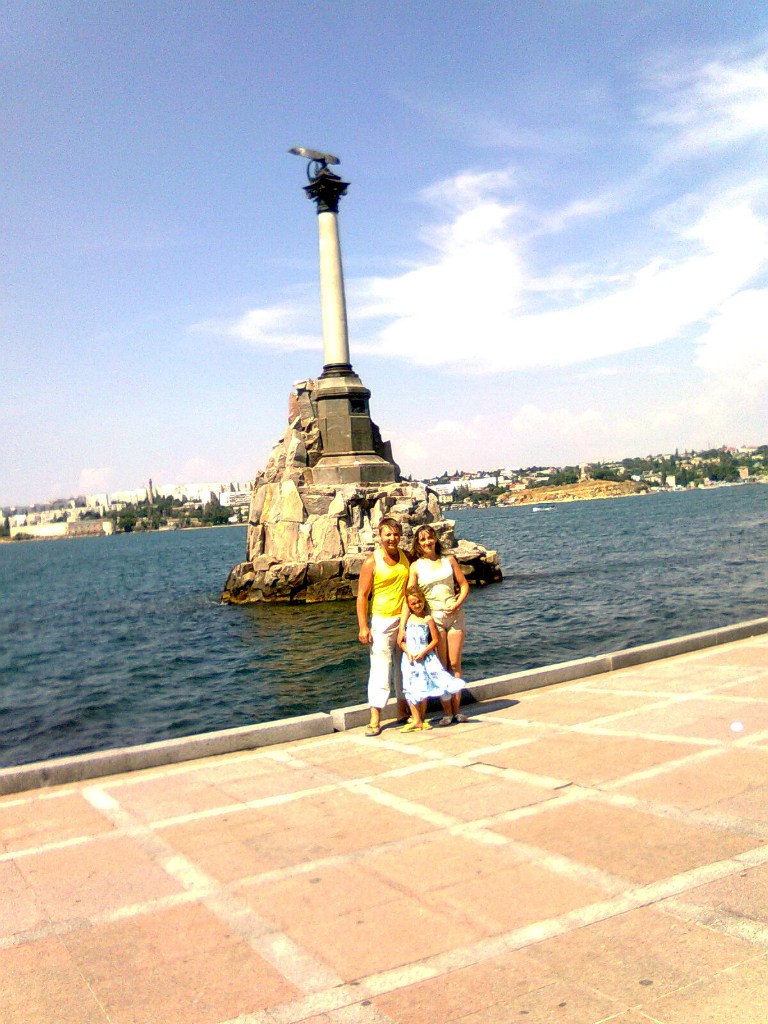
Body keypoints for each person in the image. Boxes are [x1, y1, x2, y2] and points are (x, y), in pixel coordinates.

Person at [409, 524, 470, 725]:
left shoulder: (448, 560)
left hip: (456, 616)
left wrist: (457, 603)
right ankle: (447, 713)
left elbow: (464, 585)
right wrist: (407, 624)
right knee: (442, 666)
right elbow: (411, 595)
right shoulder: (416, 567)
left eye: (430, 538)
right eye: (423, 539)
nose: (427, 542)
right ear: (418, 544)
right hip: (435, 618)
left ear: (435, 539)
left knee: (455, 664)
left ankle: (457, 711)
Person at [356, 517, 411, 736]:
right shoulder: (372, 561)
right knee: (380, 669)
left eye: (396, 534)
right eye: (388, 534)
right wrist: (363, 626)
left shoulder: (406, 557)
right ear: (380, 536)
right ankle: (375, 718)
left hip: (404, 619)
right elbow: (362, 595)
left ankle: (402, 711)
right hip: (382, 620)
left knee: (404, 667)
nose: (392, 538)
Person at [398, 586, 464, 732]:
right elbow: (400, 641)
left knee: (425, 685)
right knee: (410, 687)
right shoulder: (407, 620)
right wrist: (408, 652)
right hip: (409, 658)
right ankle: (416, 719)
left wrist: (424, 652)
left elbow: (435, 640)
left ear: (423, 601)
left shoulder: (428, 619)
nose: (417, 605)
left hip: (424, 656)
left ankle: (422, 718)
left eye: (419, 602)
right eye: (413, 603)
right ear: (408, 605)